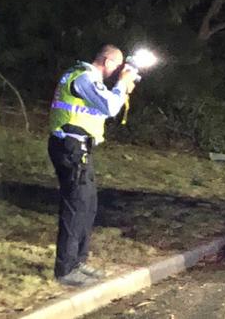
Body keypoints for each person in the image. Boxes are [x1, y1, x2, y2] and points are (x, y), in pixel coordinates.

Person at [47, 44, 138, 286]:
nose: (118, 71)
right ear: (107, 61)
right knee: (75, 207)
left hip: (80, 149)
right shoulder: (84, 78)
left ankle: (78, 262)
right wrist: (122, 84)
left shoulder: (89, 80)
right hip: (70, 147)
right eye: (117, 66)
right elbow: (110, 107)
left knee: (88, 205)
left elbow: (107, 106)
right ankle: (65, 270)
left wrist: (123, 87)